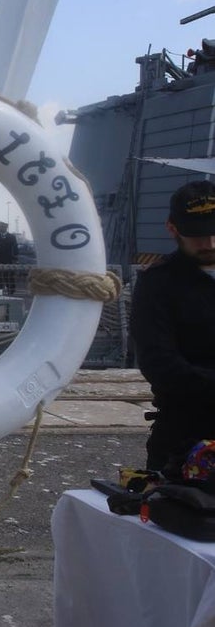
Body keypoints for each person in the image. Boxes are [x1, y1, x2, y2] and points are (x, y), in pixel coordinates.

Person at [131, 180, 215, 475]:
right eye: (198, 235)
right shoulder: (158, 283)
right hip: (185, 439)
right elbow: (159, 363)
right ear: (172, 229)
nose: (210, 243)